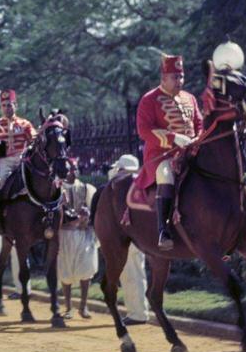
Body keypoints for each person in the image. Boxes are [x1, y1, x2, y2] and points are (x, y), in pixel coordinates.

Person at [134, 54, 203, 250]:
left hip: (191, 151)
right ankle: (163, 229)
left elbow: (199, 123)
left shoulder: (190, 98)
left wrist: (198, 138)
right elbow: (143, 130)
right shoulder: (149, 99)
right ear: (163, 78)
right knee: (166, 175)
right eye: (175, 77)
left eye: (181, 77)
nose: (180, 81)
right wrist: (173, 138)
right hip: (161, 156)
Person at [107, 154, 150, 325]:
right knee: (133, 276)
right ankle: (137, 312)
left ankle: (138, 314)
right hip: (136, 237)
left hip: (131, 238)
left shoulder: (127, 187)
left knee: (133, 276)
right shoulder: (137, 184)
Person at [57, 158, 98, 318]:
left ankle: (83, 306)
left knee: (85, 270)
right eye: (69, 169)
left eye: (74, 168)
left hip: (84, 234)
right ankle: (68, 308)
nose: (72, 172)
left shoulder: (87, 189)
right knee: (66, 271)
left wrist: (86, 218)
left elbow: (95, 211)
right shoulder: (57, 190)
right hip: (65, 235)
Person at [0, 90, 35, 194]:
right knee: (0, 182)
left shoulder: (25, 124)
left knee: (31, 182)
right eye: (3, 105)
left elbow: (34, 139)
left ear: (15, 106)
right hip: (4, 160)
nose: (6, 108)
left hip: (21, 159)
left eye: (9, 105)